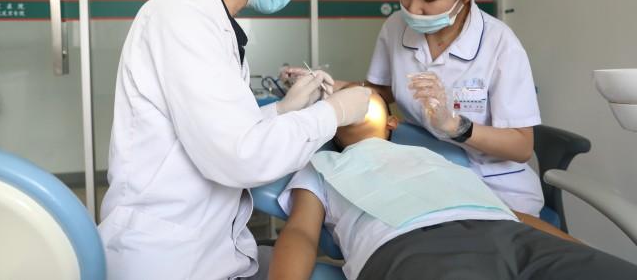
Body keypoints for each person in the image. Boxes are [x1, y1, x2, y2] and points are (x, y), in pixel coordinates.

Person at [97, 0, 371, 280]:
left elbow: (223, 129)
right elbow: (240, 156)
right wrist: (333, 112)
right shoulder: (181, 19)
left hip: (205, 247)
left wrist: (283, 109)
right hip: (167, 257)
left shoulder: (212, 22)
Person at [269, 89, 637, 280]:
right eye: (343, 97)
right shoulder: (323, 165)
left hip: (513, 237)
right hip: (414, 248)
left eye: (363, 92)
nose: (354, 98)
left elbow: (511, 215)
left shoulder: (430, 156)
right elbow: (300, 233)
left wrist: (580, 251)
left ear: (393, 122)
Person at [362, 0, 544, 215]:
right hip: (426, 174)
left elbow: (521, 146)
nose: (412, 9)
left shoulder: (500, 45)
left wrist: (457, 126)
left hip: (494, 187)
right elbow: (380, 93)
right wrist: (332, 91)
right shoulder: (395, 27)